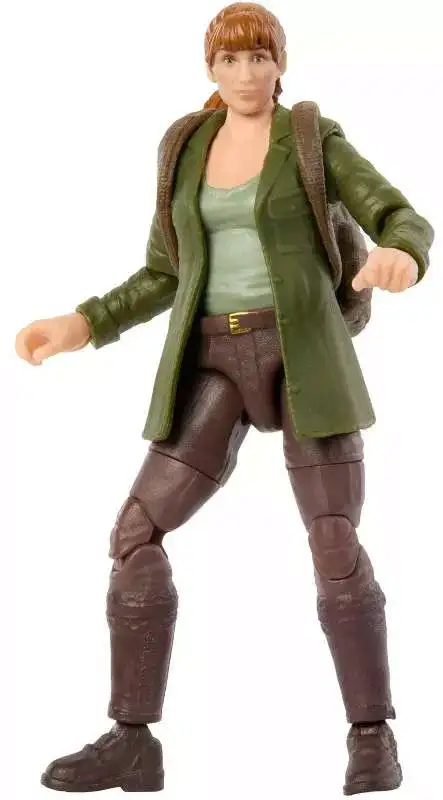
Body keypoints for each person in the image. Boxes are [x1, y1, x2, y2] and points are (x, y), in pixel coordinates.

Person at [15, 2, 434, 795]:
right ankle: (132, 740)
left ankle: (371, 734)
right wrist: (83, 323)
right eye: (229, 59)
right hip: (211, 357)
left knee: (333, 542)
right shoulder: (186, 146)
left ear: (280, 63)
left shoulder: (311, 139)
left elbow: (398, 214)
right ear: (209, 66)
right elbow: (163, 272)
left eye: (258, 57)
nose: (245, 73)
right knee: (135, 534)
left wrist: (400, 256)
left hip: (303, 354)